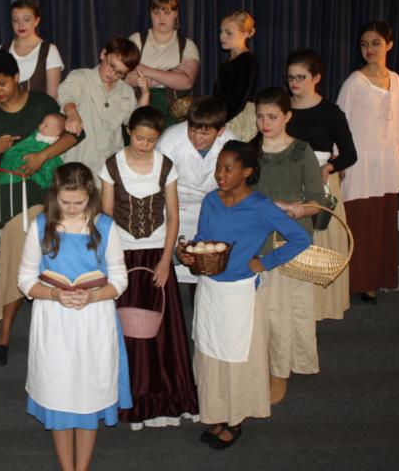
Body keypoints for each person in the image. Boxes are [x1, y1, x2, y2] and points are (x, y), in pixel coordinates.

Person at [176, 141, 310, 449]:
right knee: (210, 353)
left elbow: (300, 238)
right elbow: (203, 239)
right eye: (218, 168)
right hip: (209, 290)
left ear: (247, 172)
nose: (220, 175)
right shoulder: (211, 200)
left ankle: (234, 420)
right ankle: (216, 412)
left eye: (228, 169)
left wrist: (265, 262)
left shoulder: (260, 206)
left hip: (239, 294)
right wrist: (189, 254)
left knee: (235, 357)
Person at [17, 163, 131, 471]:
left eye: (78, 202)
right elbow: (25, 279)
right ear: (55, 195)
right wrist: (54, 293)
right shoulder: (42, 225)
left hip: (93, 320)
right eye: (65, 202)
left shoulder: (104, 226)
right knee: (59, 393)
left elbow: (120, 278)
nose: (70, 208)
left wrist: (92, 295)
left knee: (88, 394)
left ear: (90, 195)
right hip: (54, 321)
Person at [0, 49, 84, 365]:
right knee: (18, 255)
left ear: (17, 78)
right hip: (12, 195)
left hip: (48, 189)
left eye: (2, 83)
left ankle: (51, 332)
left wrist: (42, 156)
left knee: (49, 257)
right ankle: (5, 331)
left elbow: (74, 136)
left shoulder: (41, 103)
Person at [99, 106, 199, 429]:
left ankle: (167, 396)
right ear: (129, 131)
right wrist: (110, 261)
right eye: (140, 138)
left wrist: (167, 261)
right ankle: (130, 396)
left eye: (151, 140)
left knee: (163, 331)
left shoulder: (165, 166)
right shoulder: (111, 165)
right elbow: (105, 217)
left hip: (157, 254)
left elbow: (173, 216)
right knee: (127, 330)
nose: (144, 145)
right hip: (123, 256)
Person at [250, 87, 326, 404]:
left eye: (272, 117)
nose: (265, 123)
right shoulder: (249, 151)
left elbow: (318, 200)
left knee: (284, 313)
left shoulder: (301, 150)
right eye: (260, 116)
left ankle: (278, 373)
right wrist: (272, 206)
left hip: (291, 242)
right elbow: (239, 195)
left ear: (287, 116)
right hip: (256, 241)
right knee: (258, 315)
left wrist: (299, 209)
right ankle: (257, 371)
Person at [336, 21, 399, 304]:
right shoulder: (354, 83)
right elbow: (339, 126)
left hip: (387, 161)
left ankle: (377, 278)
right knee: (359, 223)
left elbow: (398, 126)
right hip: (359, 163)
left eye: (376, 43)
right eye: (364, 44)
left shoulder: (396, 79)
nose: (369, 49)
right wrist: (339, 164)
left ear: (389, 45)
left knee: (381, 223)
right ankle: (358, 280)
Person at [285, 49, 357, 320]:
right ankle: (293, 303)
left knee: (321, 243)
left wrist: (329, 168)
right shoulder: (283, 108)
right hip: (288, 180)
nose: (294, 82)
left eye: (301, 77)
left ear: (316, 78)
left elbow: (350, 154)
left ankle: (321, 305)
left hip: (321, 181)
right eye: (291, 77)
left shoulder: (331, 113)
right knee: (290, 241)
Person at [156, 96, 236, 302]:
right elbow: (158, 188)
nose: (197, 138)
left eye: (205, 133)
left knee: (208, 269)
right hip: (175, 208)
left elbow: (234, 187)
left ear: (220, 131)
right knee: (173, 272)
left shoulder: (230, 143)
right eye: (192, 130)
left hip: (212, 209)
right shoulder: (170, 141)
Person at [59, 37, 149, 182]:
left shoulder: (127, 91)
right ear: (103, 54)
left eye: (120, 73)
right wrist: (72, 114)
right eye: (111, 66)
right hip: (76, 164)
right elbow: (66, 95)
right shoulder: (81, 76)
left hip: (107, 169)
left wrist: (145, 94)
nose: (112, 75)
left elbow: (137, 123)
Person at [126, 0, 200, 127]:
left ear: (176, 13)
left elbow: (186, 82)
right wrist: (170, 75)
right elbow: (126, 77)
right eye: (156, 13)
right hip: (138, 106)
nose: (162, 18)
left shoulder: (187, 45)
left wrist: (146, 71)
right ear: (150, 13)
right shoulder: (136, 40)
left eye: (167, 13)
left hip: (173, 114)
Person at [0, 0, 64, 99]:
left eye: (26, 20)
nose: (20, 25)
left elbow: (52, 97)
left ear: (37, 21)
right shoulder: (1, 50)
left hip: (40, 109)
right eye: (15, 20)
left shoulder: (49, 51)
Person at [213, 10, 259, 141]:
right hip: (223, 117)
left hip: (237, 119)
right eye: (221, 32)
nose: (222, 37)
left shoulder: (247, 61)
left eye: (229, 33)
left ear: (244, 34)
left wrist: (220, 121)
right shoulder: (227, 62)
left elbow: (240, 99)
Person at [0, 112, 66, 189]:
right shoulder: (36, 135)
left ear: (55, 132)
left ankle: (10, 176)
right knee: (12, 157)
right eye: (42, 122)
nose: (41, 126)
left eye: (46, 125)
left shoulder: (53, 143)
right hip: (26, 156)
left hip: (37, 164)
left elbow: (48, 155)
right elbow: (26, 144)